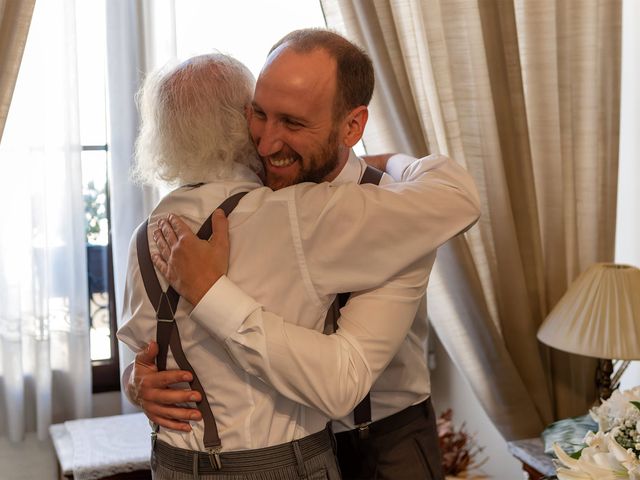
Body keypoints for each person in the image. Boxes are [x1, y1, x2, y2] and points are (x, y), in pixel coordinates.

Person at [119, 31, 479, 480]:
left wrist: (397, 163)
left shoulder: (397, 210)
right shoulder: (256, 201)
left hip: (383, 440)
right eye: (260, 115)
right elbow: (151, 342)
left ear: (351, 126)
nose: (267, 144)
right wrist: (137, 381)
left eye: (292, 123)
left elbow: (459, 198)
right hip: (296, 449)